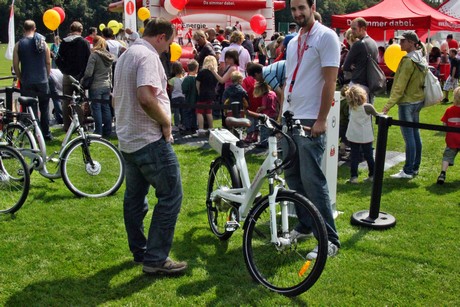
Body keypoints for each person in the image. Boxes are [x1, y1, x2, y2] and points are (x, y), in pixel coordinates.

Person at [113, 17, 187, 275]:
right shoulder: (147, 56)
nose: (168, 49)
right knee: (171, 195)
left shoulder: (126, 55)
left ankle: (140, 251)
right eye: (169, 43)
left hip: (129, 140)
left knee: (134, 198)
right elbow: (145, 97)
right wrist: (166, 122)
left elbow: (117, 98)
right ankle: (155, 259)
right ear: (161, 37)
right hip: (149, 140)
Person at [282, 0, 341, 259]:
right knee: (293, 178)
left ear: (312, 6)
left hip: (309, 121)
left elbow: (330, 81)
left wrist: (322, 118)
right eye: (293, 9)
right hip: (290, 118)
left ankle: (330, 239)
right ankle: (305, 225)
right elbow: (290, 78)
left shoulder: (326, 37)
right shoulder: (294, 41)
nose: (297, 14)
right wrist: (280, 115)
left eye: (301, 8)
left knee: (313, 181)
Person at [382, 31, 427, 179]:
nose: (400, 44)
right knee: (415, 135)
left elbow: (400, 86)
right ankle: (414, 167)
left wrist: (388, 105)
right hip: (417, 100)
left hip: (407, 102)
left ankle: (408, 170)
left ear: (411, 43)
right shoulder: (420, 57)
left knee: (409, 137)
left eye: (403, 41)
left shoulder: (408, 60)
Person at [12, 20, 52, 140]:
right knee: (44, 108)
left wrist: (20, 77)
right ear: (34, 28)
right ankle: (46, 133)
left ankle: (34, 134)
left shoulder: (18, 44)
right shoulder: (43, 43)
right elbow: (48, 61)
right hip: (42, 80)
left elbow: (15, 64)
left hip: (27, 80)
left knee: (30, 109)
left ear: (24, 29)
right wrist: (47, 74)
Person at [56, 21, 91, 132]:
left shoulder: (64, 42)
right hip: (80, 75)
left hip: (67, 75)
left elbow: (58, 59)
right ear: (81, 30)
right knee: (80, 101)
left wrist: (64, 70)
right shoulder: (84, 42)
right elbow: (89, 59)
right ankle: (80, 125)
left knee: (66, 101)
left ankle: (67, 126)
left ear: (71, 30)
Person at [81, 36, 114, 138]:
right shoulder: (109, 56)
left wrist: (83, 80)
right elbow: (110, 73)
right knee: (106, 108)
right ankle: (107, 130)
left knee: (96, 108)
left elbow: (89, 72)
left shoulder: (94, 55)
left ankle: (98, 131)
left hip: (96, 85)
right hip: (106, 85)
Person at [342, 17, 378, 104]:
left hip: (357, 85)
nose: (352, 31)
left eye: (354, 28)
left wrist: (352, 67)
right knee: (367, 115)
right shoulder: (373, 43)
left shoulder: (358, 44)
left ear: (362, 29)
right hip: (370, 84)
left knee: (355, 115)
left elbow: (345, 66)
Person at [344, 85, 375, 184]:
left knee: (354, 156)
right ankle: (372, 175)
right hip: (365, 135)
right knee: (369, 156)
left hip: (354, 134)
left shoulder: (351, 107)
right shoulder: (367, 107)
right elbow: (377, 115)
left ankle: (354, 177)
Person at [436, 86, 460, 184]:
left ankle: (442, 173)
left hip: (451, 138)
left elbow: (444, 124)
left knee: (447, 156)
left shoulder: (449, 110)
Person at [195, 55, 219, 137]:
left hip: (203, 93)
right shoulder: (215, 74)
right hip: (211, 94)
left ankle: (201, 129)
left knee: (199, 112)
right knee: (209, 112)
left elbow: (197, 84)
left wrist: (198, 92)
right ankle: (211, 128)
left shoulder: (202, 72)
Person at [253, 81, 278, 148]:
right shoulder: (273, 93)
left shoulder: (265, 96)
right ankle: (271, 142)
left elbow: (264, 106)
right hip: (274, 114)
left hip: (267, 115)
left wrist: (259, 109)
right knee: (272, 129)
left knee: (264, 129)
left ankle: (263, 143)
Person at [181, 59, 199, 134]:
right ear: (196, 68)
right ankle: (194, 127)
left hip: (188, 99)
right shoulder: (197, 78)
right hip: (196, 99)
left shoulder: (187, 79)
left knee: (187, 113)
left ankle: (187, 127)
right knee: (194, 113)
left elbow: (184, 89)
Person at [168, 61, 186, 131]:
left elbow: (171, 90)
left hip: (175, 97)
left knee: (176, 112)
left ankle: (177, 125)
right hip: (183, 96)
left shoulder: (172, 80)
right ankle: (183, 124)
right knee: (182, 111)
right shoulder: (184, 78)